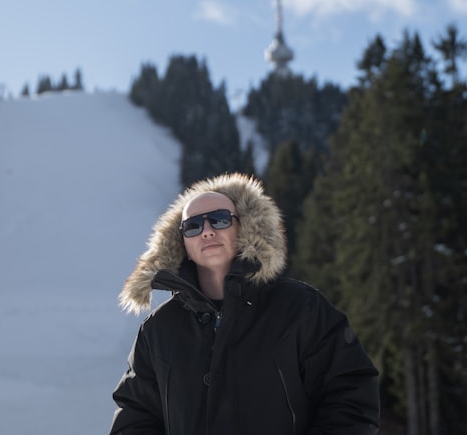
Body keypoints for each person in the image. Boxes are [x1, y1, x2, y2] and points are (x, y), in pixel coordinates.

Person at [109, 172, 380, 434]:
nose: (206, 231)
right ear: (181, 244)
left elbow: (351, 396)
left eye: (219, 219)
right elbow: (136, 417)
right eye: (192, 226)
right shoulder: (158, 329)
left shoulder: (300, 307)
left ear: (245, 227)